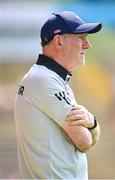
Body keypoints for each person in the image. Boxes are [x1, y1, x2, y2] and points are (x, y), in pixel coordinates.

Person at [14, 11, 102, 179]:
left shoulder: (50, 78)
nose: (87, 45)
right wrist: (92, 124)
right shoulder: (43, 79)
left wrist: (91, 122)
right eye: (80, 37)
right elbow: (84, 141)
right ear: (59, 41)